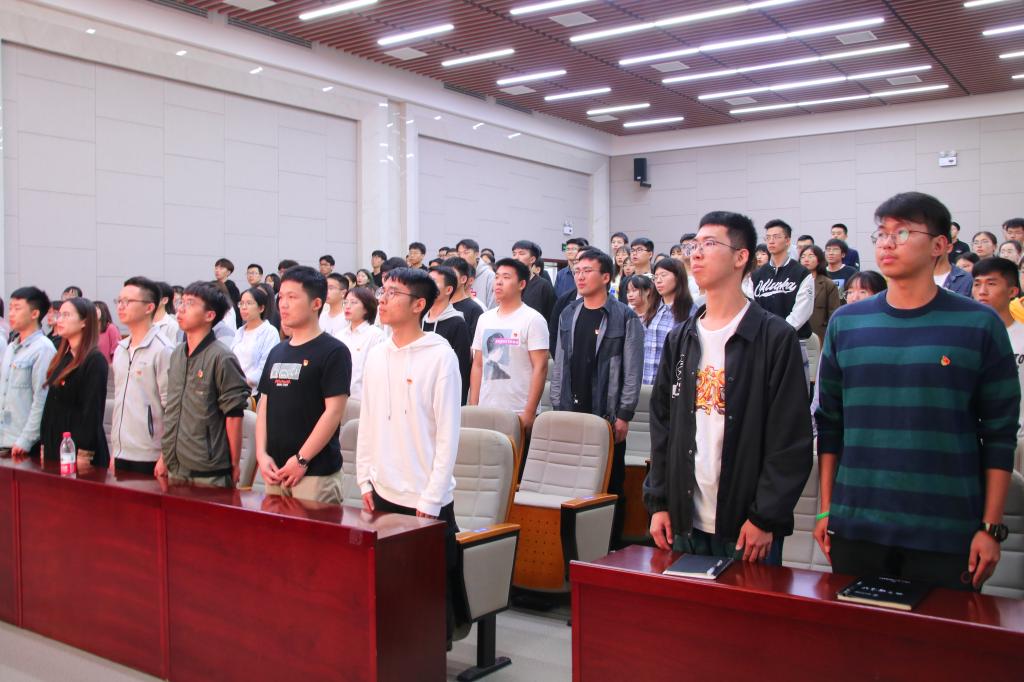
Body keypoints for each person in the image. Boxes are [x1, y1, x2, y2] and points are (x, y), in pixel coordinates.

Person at [814, 192, 1017, 591]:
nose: (887, 243)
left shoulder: (978, 324)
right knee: (858, 629)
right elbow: (830, 424)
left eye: (903, 233)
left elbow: (999, 433)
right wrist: (825, 510)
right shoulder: (846, 323)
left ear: (940, 245)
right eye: (881, 233)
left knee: (943, 631)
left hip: (946, 529)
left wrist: (990, 527)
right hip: (858, 526)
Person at [646, 210, 812, 565]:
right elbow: (663, 426)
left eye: (709, 244)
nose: (696, 253)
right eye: (694, 245)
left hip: (747, 526)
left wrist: (765, 517)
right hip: (684, 520)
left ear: (741, 257)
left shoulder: (774, 337)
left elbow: (790, 438)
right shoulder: (681, 338)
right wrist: (659, 501)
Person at [356, 267, 461, 642]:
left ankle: (430, 656)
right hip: (382, 489)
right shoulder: (377, 354)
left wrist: (432, 497)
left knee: (428, 595)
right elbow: (367, 419)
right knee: (389, 589)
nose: (382, 300)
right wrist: (364, 478)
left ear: (419, 305)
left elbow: (448, 434)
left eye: (393, 293)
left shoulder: (440, 356)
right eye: (382, 292)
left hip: (423, 498)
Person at [551, 248, 643, 547]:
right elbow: (560, 363)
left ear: (605, 277)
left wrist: (624, 414)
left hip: (607, 413)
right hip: (572, 412)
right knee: (573, 483)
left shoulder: (624, 316)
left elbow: (632, 370)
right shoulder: (569, 312)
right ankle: (577, 549)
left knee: (610, 484)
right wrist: (558, 406)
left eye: (587, 271)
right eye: (577, 271)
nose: (580, 276)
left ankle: (611, 546)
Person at [256, 267, 350, 502]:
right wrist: (261, 454)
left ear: (316, 303)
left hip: (314, 473)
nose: (283, 304)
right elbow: (264, 405)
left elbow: (333, 412)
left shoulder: (334, 351)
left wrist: (301, 460)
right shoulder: (277, 351)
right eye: (281, 297)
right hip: (275, 470)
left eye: (292, 297)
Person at [159, 282, 250, 487]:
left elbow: (234, 415)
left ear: (209, 315)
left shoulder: (222, 357)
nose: (181, 309)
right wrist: (164, 456)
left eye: (190, 303)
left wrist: (234, 463)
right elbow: (172, 409)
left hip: (209, 470)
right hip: (175, 465)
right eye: (181, 302)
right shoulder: (177, 354)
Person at [470, 258, 548, 430]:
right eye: (497, 277)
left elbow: (540, 367)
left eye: (506, 277)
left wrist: (529, 412)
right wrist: (474, 405)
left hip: (518, 410)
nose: (498, 282)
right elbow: (478, 364)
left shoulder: (533, 319)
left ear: (521, 284)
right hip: (485, 408)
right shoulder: (485, 318)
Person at [111, 277, 174, 475]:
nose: (121, 306)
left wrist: (165, 456)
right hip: (121, 451)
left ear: (149, 307)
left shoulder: (163, 350)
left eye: (128, 301)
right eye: (119, 301)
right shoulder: (121, 349)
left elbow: (172, 407)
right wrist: (115, 450)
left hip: (150, 455)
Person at [39, 298, 109, 468]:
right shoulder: (63, 357)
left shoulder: (94, 360)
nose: (60, 320)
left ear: (84, 321)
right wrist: (44, 442)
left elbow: (92, 410)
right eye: (59, 315)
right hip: (55, 441)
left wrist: (85, 452)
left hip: (77, 447)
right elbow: (50, 404)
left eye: (66, 315)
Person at [971, 257, 1024, 471]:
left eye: (991, 283)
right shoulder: (966, 337)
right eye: (977, 284)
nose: (982, 291)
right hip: (979, 437)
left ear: (1012, 291)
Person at [753, 219, 814, 380]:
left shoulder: (801, 273)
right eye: (768, 237)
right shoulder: (757, 275)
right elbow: (752, 308)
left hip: (793, 341)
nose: (771, 241)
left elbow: (802, 311)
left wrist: (779, 333)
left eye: (776, 236)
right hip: (763, 343)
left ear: (787, 241)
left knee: (795, 388)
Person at [0, 287, 56, 457]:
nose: (11, 313)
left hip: (23, 445)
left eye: (17, 308)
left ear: (35, 314)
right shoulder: (11, 347)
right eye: (10, 308)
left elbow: (41, 399)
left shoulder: (43, 348)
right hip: (4, 440)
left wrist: (26, 440)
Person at [424, 266, 473, 405]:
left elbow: (461, 368)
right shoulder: (419, 318)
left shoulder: (457, 323)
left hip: (445, 395)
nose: (428, 286)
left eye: (434, 282)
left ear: (448, 289)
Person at [643, 259, 693, 385]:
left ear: (678, 277)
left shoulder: (690, 311)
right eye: (656, 277)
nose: (658, 281)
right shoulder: (653, 309)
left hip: (673, 384)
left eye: (663, 275)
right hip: (647, 382)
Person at [337, 287, 385, 401]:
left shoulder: (376, 335)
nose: (347, 306)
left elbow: (379, 373)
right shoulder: (340, 335)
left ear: (366, 308)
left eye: (353, 302)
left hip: (363, 399)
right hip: (340, 398)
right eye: (345, 302)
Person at [232, 287, 280, 395]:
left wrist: (241, 384)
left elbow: (266, 367)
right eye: (241, 303)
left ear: (261, 308)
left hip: (254, 393)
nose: (244, 307)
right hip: (233, 390)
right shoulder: (239, 331)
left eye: (249, 303)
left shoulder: (269, 332)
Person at [800, 245, 841, 343]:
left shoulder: (828, 284)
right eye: (803, 256)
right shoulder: (793, 283)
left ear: (819, 260)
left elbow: (833, 313)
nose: (806, 259)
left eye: (811, 256)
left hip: (819, 334)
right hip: (797, 333)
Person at [443, 256, 484, 340]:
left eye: (451, 274)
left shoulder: (474, 309)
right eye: (444, 275)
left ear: (463, 279)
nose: (446, 279)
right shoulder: (438, 305)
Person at [513, 240, 555, 321]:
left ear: (532, 259)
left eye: (521, 253)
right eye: (514, 254)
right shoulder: (510, 284)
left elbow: (552, 316)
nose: (516, 257)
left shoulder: (543, 286)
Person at [456, 239, 495, 309]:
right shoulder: (457, 275)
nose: (462, 257)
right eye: (459, 254)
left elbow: (493, 304)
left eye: (466, 252)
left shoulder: (489, 275)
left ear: (477, 254)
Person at [319, 273, 350, 338]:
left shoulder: (348, 318)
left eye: (330, 288)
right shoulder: (321, 316)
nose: (326, 291)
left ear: (343, 293)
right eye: (325, 288)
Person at [214, 257, 242, 327]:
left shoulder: (232, 287)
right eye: (216, 268)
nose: (217, 270)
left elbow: (235, 308)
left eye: (221, 268)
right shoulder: (212, 285)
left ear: (228, 272)